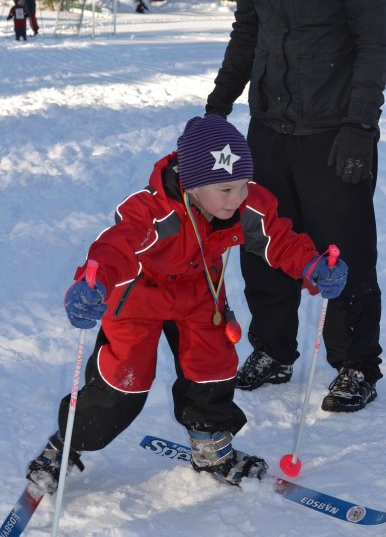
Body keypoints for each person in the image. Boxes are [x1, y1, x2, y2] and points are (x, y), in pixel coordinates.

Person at [25, 115, 347, 493]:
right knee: (121, 384)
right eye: (226, 189)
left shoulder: (244, 205)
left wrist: (310, 264)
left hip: (199, 293)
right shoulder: (151, 211)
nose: (238, 197)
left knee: (212, 367)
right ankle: (66, 445)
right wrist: (91, 282)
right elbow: (116, 247)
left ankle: (211, 447)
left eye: (244, 185)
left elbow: (278, 237)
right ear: (192, 184)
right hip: (138, 295)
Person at [205, 0, 386, 413]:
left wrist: (360, 127)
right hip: (268, 123)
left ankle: (356, 364)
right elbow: (248, 29)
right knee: (261, 242)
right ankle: (273, 349)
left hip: (334, 128)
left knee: (341, 251)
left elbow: (375, 39)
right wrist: (218, 104)